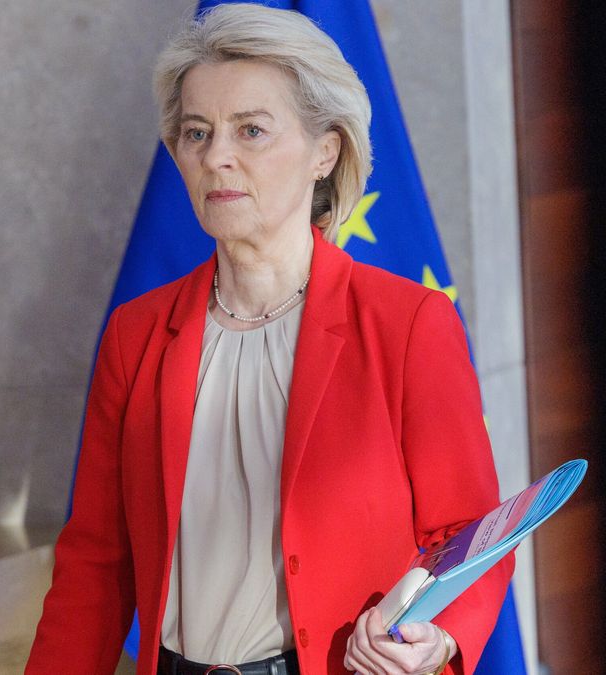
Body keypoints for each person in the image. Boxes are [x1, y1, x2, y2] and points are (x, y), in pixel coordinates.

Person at [25, 4, 513, 675]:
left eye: (250, 130)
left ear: (325, 150)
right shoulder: (134, 336)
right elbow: (94, 564)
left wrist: (441, 633)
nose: (217, 156)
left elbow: (468, 531)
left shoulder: (408, 324)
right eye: (196, 133)